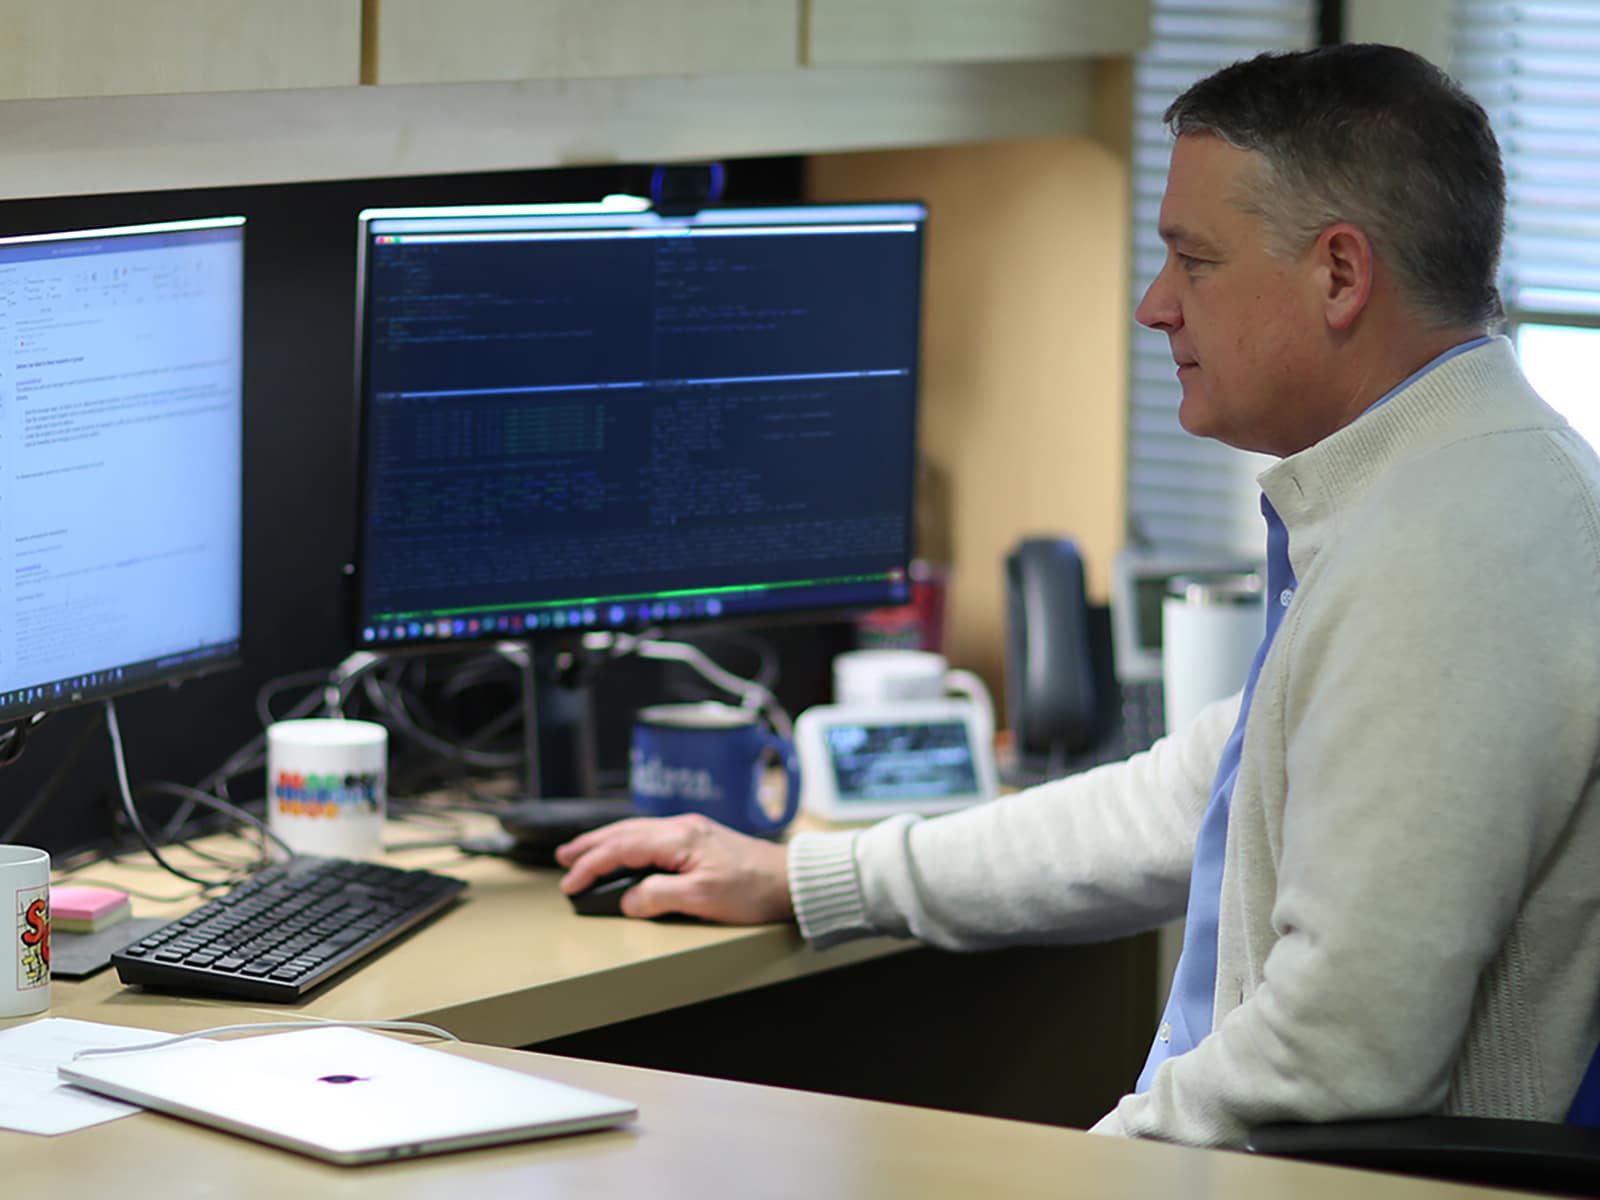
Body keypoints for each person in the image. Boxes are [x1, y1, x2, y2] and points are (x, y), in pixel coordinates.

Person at [558, 43, 1600, 1146]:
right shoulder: (1439, 479)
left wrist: (1082, 1175)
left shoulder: (1449, 549)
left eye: (1191, 261)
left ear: (1338, 275)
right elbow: (1188, 801)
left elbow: (1336, 1052)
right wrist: (817, 876)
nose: (1155, 307)